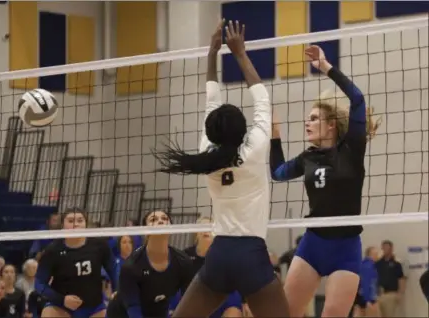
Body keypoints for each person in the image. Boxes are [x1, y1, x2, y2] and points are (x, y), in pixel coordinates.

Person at [153, 20, 289, 317]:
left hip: (219, 255)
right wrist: (239, 53)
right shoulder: (254, 148)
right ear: (242, 130)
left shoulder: (206, 155)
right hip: (251, 255)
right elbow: (262, 98)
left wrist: (213, 50)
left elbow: (211, 100)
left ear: (212, 131)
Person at [270, 45, 381, 317]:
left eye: (314, 118)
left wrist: (326, 67)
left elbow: (358, 100)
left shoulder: (351, 149)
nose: (307, 123)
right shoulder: (307, 158)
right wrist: (274, 136)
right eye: (307, 119)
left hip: (345, 246)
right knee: (287, 312)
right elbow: (277, 173)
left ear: (331, 125)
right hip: (313, 243)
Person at [106, 210, 193, 318]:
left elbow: (189, 303)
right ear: (145, 230)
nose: (160, 221)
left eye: (165, 219)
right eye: (153, 219)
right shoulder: (131, 266)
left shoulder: (183, 262)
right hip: (122, 313)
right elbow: (133, 308)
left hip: (157, 311)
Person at [35, 207, 117, 318]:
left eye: (80, 220)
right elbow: (39, 283)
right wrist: (62, 300)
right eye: (70, 221)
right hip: (61, 307)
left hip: (94, 308)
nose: (75, 224)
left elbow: (113, 269)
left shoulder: (100, 245)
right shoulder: (53, 250)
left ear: (85, 224)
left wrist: (117, 290)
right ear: (63, 225)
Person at [169, 217, 243, 318]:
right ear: (196, 233)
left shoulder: (225, 256)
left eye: (210, 227)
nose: (206, 230)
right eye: (202, 227)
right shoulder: (184, 256)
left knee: (234, 311)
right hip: (189, 297)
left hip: (220, 296)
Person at [376, 240, 406, 317]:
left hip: (391, 294)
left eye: (387, 248)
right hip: (379, 295)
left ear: (391, 249)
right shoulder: (378, 263)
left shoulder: (396, 264)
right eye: (384, 247)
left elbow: (401, 279)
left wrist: (400, 294)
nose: (385, 249)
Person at [353, 247, 380, 317]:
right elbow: (366, 283)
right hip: (367, 297)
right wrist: (369, 300)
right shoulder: (368, 266)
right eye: (376, 254)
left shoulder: (366, 265)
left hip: (363, 296)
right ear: (371, 254)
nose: (378, 256)